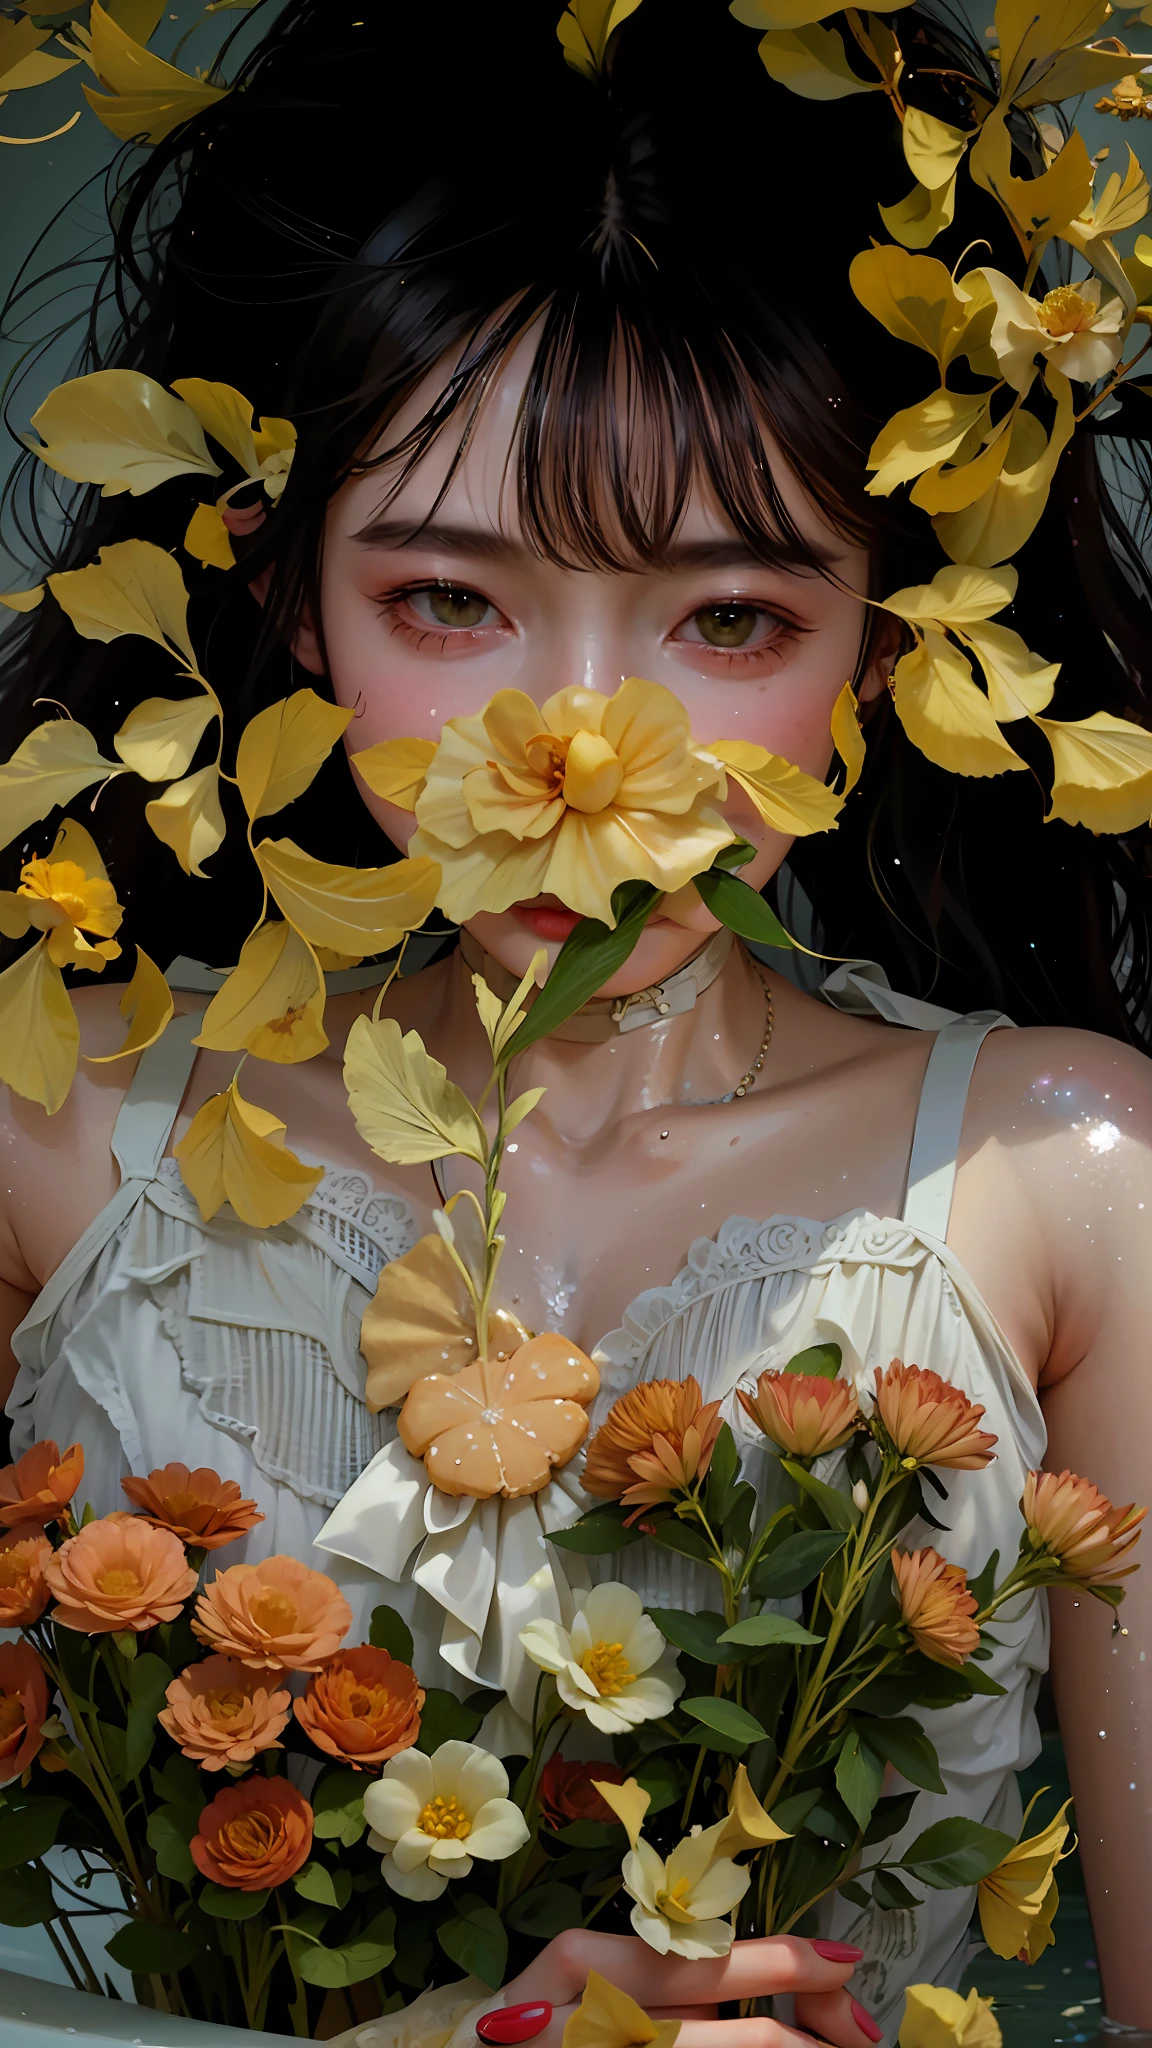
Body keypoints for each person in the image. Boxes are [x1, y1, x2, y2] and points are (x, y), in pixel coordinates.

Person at [2, 0, 1152, 2040]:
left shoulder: (1077, 1184)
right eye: (450, 601)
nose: (578, 753)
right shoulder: (51, 1124)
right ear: (277, 597)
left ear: (892, 649)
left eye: (729, 620)